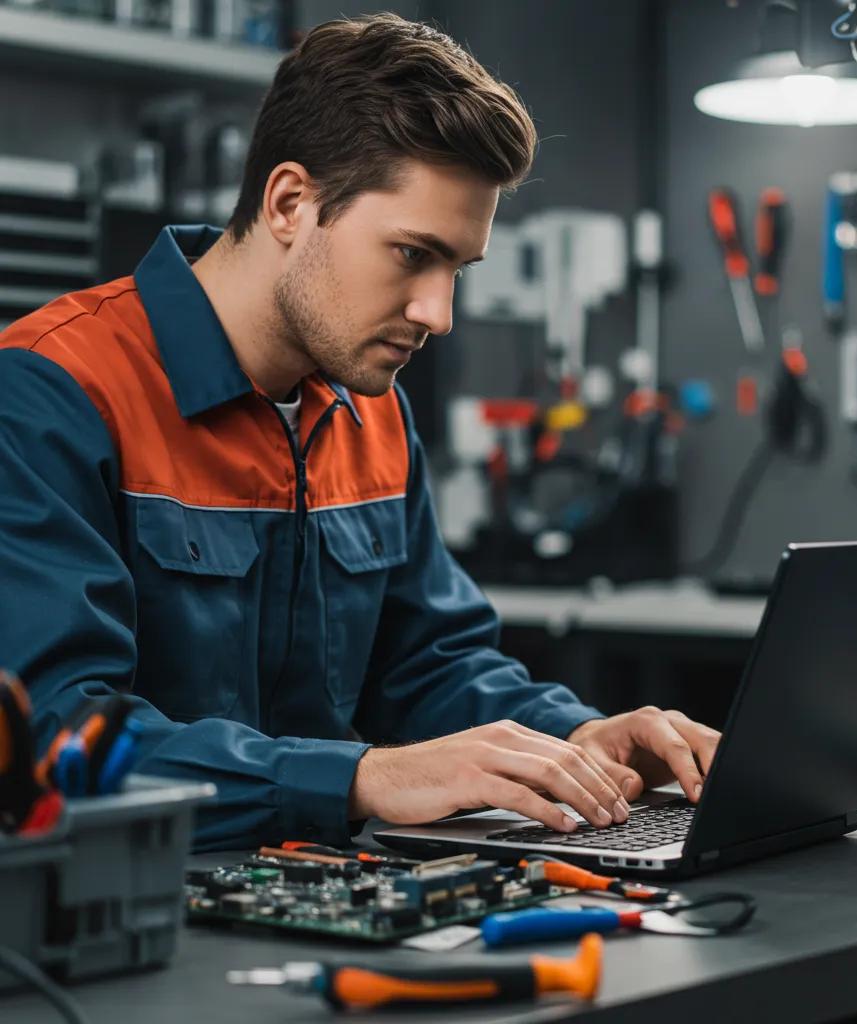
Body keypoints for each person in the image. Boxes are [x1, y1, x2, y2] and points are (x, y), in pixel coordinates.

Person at [0, 13, 720, 850]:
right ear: (290, 203)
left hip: (334, 894)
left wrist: (573, 739)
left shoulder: (369, 407)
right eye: (414, 254)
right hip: (132, 918)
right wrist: (359, 778)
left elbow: (428, 664)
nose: (438, 314)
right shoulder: (52, 392)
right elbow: (53, 738)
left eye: (458, 269)